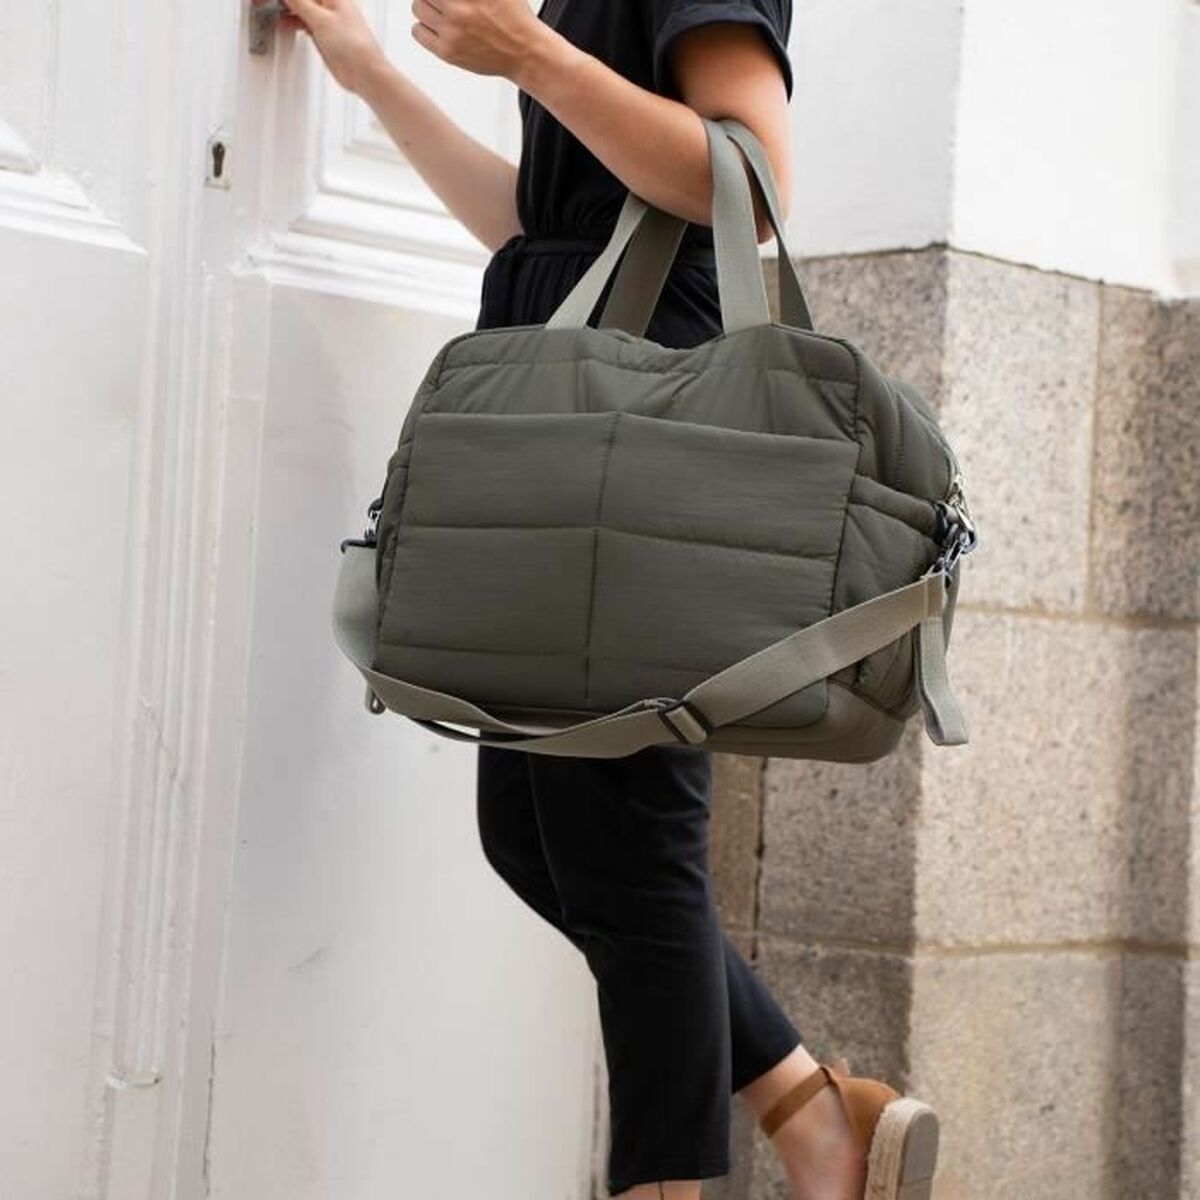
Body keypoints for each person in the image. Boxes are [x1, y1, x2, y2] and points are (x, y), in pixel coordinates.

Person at [272, 2, 940, 1197]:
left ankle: (688, 1175)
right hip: (571, 415)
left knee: (633, 858)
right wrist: (371, 76)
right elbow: (546, 228)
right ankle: (814, 1115)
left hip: (647, 427)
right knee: (534, 837)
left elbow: (747, 177)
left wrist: (531, 55)